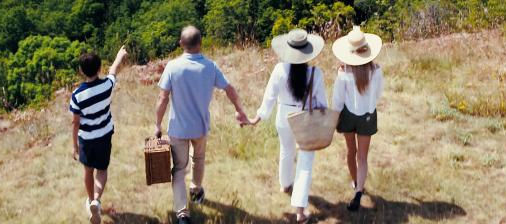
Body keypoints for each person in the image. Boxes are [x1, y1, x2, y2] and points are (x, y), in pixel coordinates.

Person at [154, 26, 249, 224]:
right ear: (201, 43)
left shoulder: (172, 67)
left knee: (179, 169)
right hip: (200, 126)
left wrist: (157, 124)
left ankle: (182, 214)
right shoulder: (210, 66)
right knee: (199, 158)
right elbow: (229, 89)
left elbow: (162, 98)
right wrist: (239, 109)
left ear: (181, 44)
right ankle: (196, 190)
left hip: (178, 128)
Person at [246, 28, 327, 224]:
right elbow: (322, 105)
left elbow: (269, 98)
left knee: (286, 150)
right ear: (308, 51)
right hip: (305, 117)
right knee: (305, 163)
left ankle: (285, 184)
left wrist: (257, 118)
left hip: (283, 116)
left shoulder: (279, 70)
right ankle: (300, 211)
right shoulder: (315, 73)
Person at [69, 46, 128, 224]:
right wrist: (119, 56)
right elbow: (114, 70)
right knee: (102, 170)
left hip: (86, 139)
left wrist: (74, 145)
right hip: (104, 136)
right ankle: (96, 199)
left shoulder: (77, 96)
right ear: (99, 68)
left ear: (81, 71)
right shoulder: (107, 86)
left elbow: (75, 122)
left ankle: (90, 200)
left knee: (88, 170)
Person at [332, 25, 383, 212]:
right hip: (368, 115)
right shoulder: (376, 71)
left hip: (347, 115)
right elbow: (378, 94)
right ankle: (359, 190)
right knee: (363, 156)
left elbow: (337, 101)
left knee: (350, 151)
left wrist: (333, 119)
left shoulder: (343, 73)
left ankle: (355, 182)